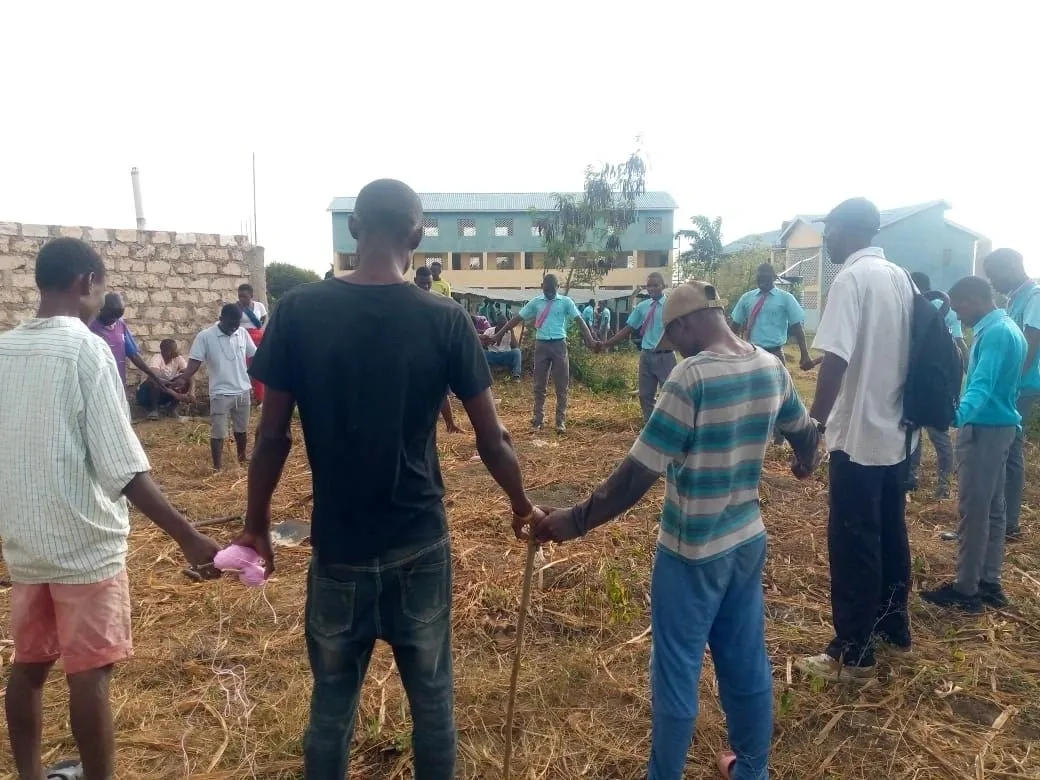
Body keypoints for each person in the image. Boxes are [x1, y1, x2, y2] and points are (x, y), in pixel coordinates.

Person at [235, 178, 544, 780]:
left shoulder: (299, 310)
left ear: (355, 229)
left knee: (330, 707)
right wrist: (521, 504)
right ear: (418, 234)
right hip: (419, 542)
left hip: (339, 545)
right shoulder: (445, 318)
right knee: (432, 702)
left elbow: (272, 436)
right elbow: (492, 438)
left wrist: (256, 525)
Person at [531, 280, 821, 780]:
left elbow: (636, 475)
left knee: (677, 670)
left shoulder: (691, 378)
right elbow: (803, 431)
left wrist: (573, 521)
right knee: (745, 659)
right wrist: (804, 461)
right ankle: (752, 769)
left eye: (673, 337)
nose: (675, 348)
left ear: (686, 324)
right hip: (746, 540)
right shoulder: (770, 366)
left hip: (692, 550)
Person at [0, 237, 219, 780]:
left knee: (27, 667)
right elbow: (124, 467)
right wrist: (188, 536)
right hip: (84, 546)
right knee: (89, 674)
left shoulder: (3, 350)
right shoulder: (88, 349)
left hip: (25, 544)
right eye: (102, 288)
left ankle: (29, 774)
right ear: (86, 284)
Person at [795, 198, 916, 683]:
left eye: (831, 229)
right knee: (891, 532)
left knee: (852, 541)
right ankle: (893, 630)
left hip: (859, 437)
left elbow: (836, 361)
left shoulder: (850, 279)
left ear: (850, 230)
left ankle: (853, 654)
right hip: (895, 433)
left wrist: (813, 428)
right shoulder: (901, 279)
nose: (828, 238)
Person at [920, 276, 1026, 613]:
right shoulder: (1009, 327)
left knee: (974, 512)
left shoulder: (995, 333)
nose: (958, 313)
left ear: (975, 298)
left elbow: (982, 384)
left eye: (960, 305)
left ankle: (966, 590)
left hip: (984, 430)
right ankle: (989, 581)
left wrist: (955, 415)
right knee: (994, 511)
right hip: (1003, 426)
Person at [490, 273, 597, 432]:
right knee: (539, 385)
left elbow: (580, 321)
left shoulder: (566, 302)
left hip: (559, 344)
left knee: (562, 385)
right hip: (541, 345)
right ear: (542, 287)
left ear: (558, 288)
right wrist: (498, 334)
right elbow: (517, 319)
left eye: (552, 290)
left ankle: (560, 421)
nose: (549, 293)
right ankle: (538, 420)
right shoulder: (536, 302)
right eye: (547, 290)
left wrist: (591, 340)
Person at [982, 248, 1038, 540]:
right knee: (1005, 450)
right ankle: (1000, 520)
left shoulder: (1036, 296)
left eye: (995, 275)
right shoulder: (1016, 297)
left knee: (1009, 450)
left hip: (1021, 386)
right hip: (1011, 385)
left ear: (1014, 266)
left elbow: (1031, 343)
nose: (993, 283)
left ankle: (1009, 524)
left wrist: (1010, 385)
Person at [907, 271, 968, 498]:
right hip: (918, 379)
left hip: (935, 380)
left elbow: (957, 343)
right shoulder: (912, 311)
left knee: (937, 433)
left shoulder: (941, 310)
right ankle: (911, 478)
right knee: (913, 431)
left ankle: (943, 485)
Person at [177, 304, 257, 470]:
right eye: (231, 324)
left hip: (242, 390)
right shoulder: (205, 336)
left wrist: (259, 380)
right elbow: (194, 362)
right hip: (220, 392)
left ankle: (242, 458)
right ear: (221, 319)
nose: (234, 328)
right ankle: (217, 468)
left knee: (241, 430)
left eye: (237, 324)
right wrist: (184, 378)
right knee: (218, 432)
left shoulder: (241, 333)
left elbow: (254, 355)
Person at [599, 272, 673, 422]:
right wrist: (607, 344)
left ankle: (668, 428)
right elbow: (628, 329)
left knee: (669, 396)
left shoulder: (671, 306)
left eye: (655, 285)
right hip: (646, 356)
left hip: (665, 356)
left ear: (663, 286)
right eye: (648, 285)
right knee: (645, 395)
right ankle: (650, 427)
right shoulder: (642, 307)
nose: (651, 288)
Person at [730, 264, 815, 377]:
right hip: (752, 354)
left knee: (780, 390)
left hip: (775, 354)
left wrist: (805, 354)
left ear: (774, 278)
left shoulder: (786, 298)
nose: (762, 280)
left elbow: (797, 327)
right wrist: (726, 352)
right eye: (760, 277)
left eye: (766, 277)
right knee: (752, 391)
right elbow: (734, 326)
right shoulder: (747, 298)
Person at [90, 292, 169, 392]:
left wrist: (155, 377)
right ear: (101, 309)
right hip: (97, 384)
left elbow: (134, 355)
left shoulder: (120, 324)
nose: (113, 321)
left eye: (117, 318)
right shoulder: (89, 327)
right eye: (111, 317)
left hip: (118, 384)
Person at [135, 338, 189, 420]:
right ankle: (154, 410)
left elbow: (189, 374)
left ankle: (171, 409)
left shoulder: (177, 358)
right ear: (165, 351)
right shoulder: (156, 358)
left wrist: (192, 392)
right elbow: (155, 379)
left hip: (165, 391)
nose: (176, 351)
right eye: (173, 349)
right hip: (145, 395)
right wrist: (176, 394)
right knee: (153, 381)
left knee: (184, 380)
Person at [238, 283, 268, 405]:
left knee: (258, 367)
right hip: (243, 338)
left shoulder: (259, 306)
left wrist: (260, 327)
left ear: (251, 295)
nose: (241, 299)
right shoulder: (237, 307)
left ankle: (260, 398)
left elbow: (264, 317)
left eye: (244, 296)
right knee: (243, 368)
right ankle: (245, 398)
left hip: (258, 339)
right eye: (240, 296)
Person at [482, 314, 522, 381]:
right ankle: (483, 374)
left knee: (517, 352)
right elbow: (482, 345)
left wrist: (511, 332)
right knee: (481, 352)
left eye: (505, 325)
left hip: (504, 355)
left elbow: (515, 346)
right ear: (497, 325)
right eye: (501, 325)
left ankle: (516, 375)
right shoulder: (489, 331)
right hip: (492, 355)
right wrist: (488, 341)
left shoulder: (509, 332)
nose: (503, 328)